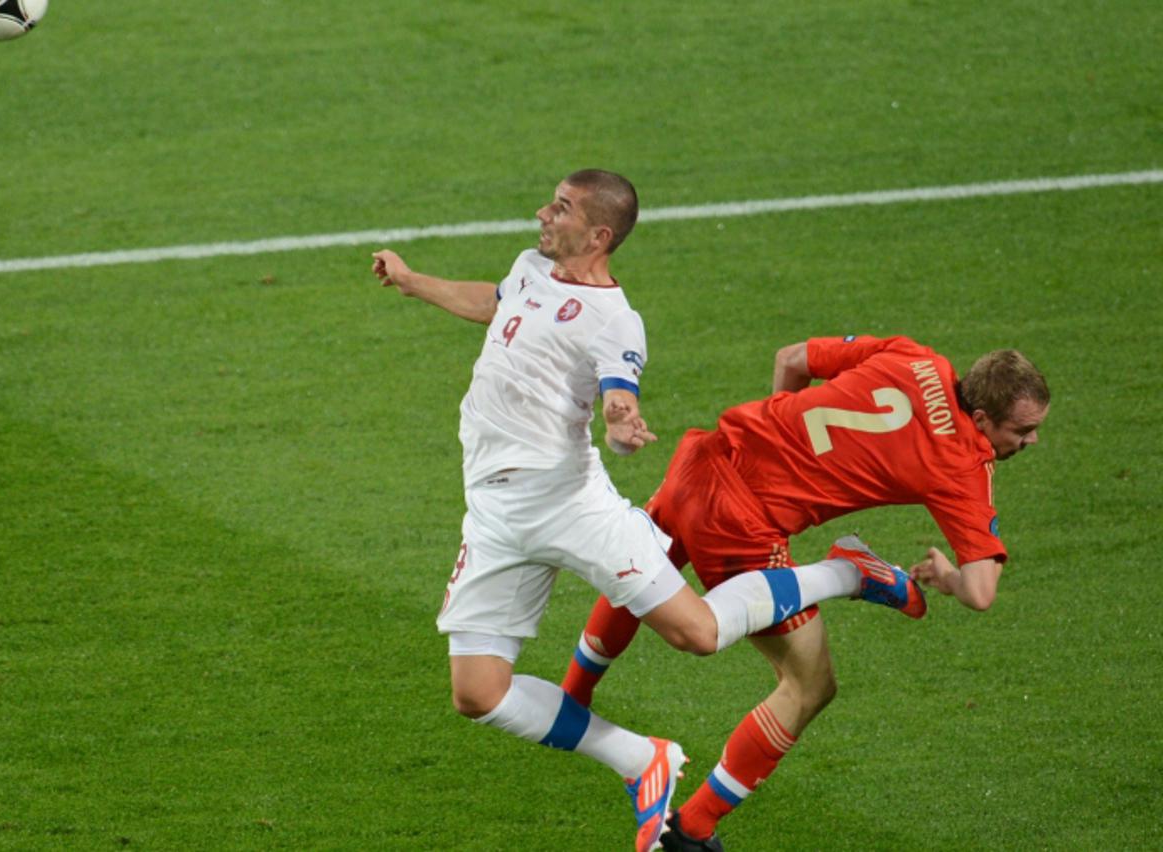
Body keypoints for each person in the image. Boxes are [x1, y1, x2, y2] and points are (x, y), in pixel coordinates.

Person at [368, 170, 923, 851]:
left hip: (568, 504)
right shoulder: (530, 268)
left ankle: (851, 572)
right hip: (492, 510)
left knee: (698, 633)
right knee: (478, 692)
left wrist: (621, 423)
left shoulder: (616, 320)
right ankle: (642, 760)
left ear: (598, 235)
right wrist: (413, 281)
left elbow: (618, 389)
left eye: (561, 208)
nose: (543, 213)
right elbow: (498, 302)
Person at [557, 334, 1051, 851]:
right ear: (980, 420)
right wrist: (947, 576)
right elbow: (980, 592)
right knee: (809, 684)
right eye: (1022, 430)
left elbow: (791, 359)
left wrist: (779, 431)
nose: (1032, 440)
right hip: (739, 524)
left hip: (704, 456)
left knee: (643, 574)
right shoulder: (963, 460)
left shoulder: (915, 356)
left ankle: (571, 701)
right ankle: (693, 829)